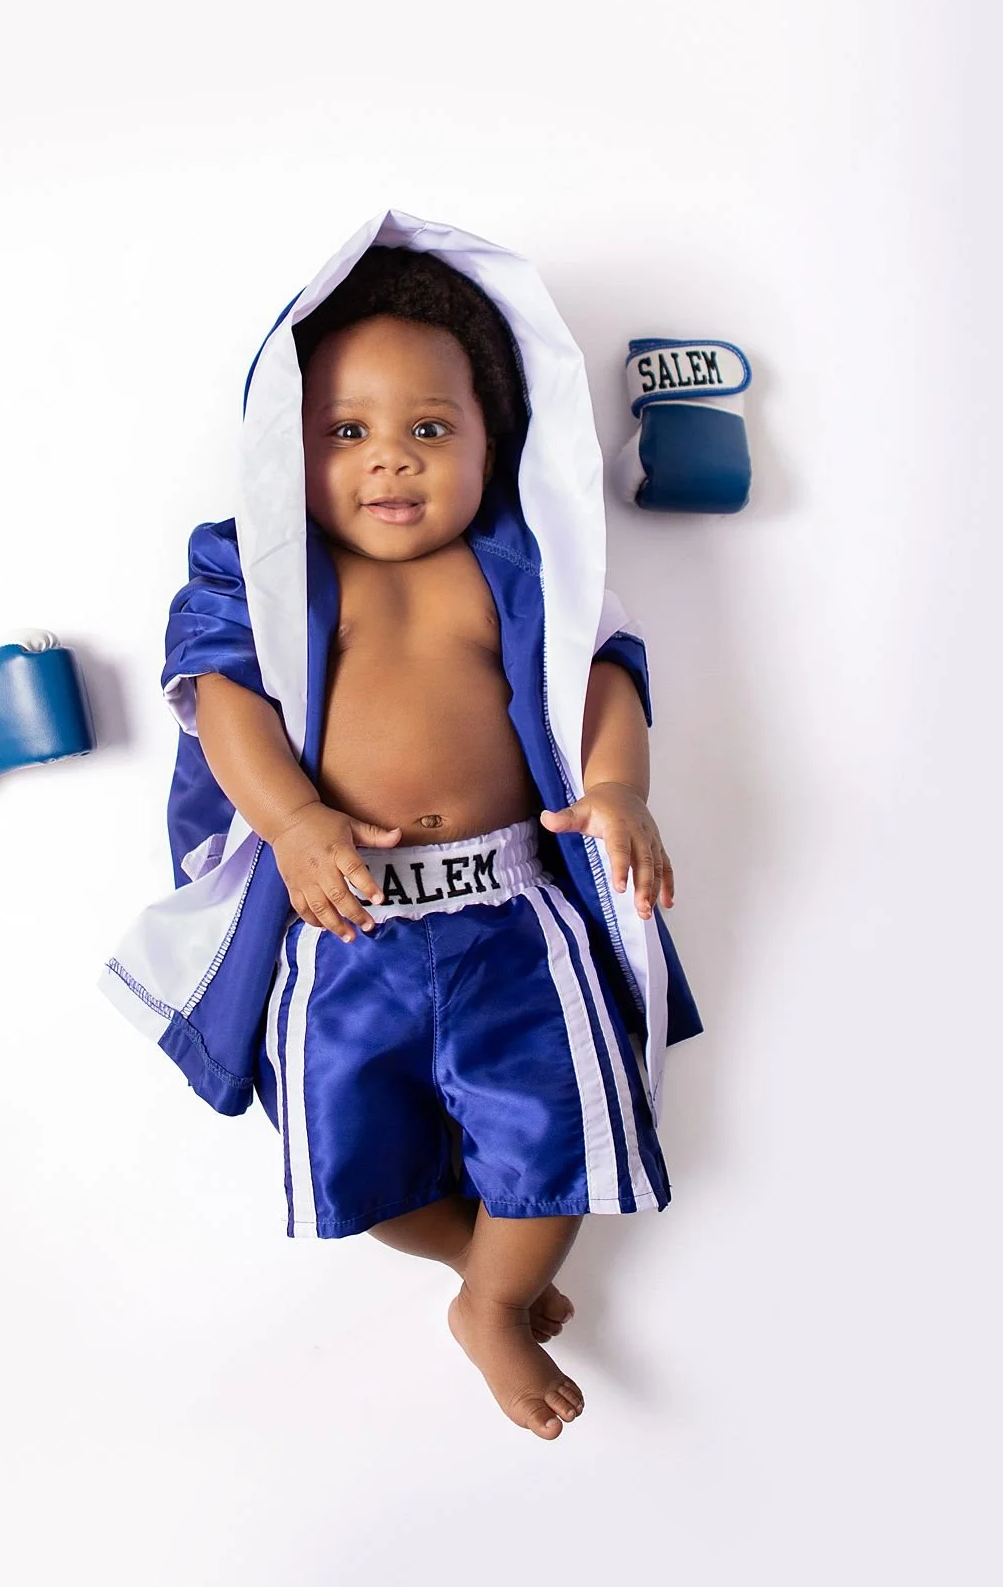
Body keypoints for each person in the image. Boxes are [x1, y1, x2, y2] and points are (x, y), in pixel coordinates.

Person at [100, 209, 703, 1439]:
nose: (390, 461)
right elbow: (222, 705)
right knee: (356, 1168)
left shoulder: (518, 564)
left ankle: (494, 1302)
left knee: (566, 1135)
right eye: (347, 433)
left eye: (431, 429)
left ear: (494, 441)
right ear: (287, 451)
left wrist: (622, 788)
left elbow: (600, 677)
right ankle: (478, 1269)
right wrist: (295, 820)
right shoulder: (260, 575)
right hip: (347, 919)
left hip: (511, 917)